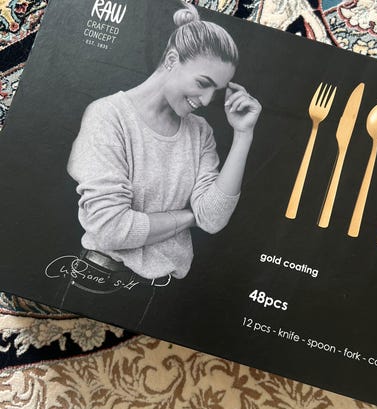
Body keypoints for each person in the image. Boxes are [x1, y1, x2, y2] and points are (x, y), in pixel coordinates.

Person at [65, 1, 261, 301]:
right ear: (171, 60)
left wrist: (243, 134)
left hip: (166, 295)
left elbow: (213, 219)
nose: (207, 100)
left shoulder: (200, 132)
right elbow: (111, 228)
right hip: (101, 284)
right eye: (203, 83)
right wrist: (190, 216)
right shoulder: (107, 115)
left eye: (216, 90)